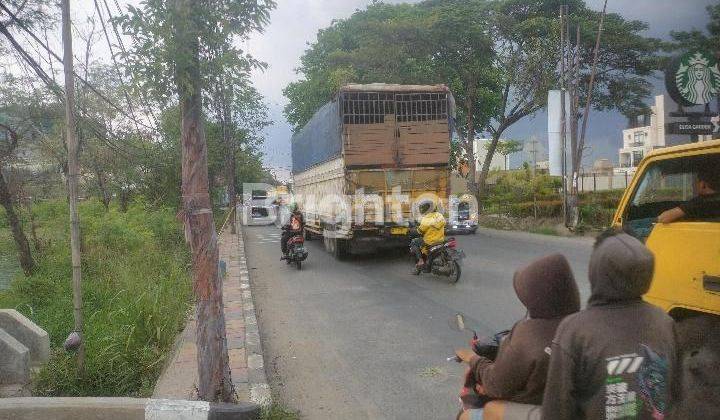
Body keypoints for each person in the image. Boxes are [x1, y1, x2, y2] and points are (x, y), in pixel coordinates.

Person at [541, 230, 678, 420]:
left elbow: (555, 411)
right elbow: (676, 393)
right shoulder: (664, 321)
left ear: (595, 271)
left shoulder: (574, 330)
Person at [454, 254, 581, 420]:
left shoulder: (530, 334)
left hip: (539, 409)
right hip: (573, 408)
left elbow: (496, 385)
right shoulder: (584, 325)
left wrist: (473, 358)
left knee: (466, 416)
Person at [410, 201, 445, 274]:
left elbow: (420, 231)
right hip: (440, 240)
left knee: (414, 242)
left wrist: (411, 231)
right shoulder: (439, 215)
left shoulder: (426, 219)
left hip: (429, 241)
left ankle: (420, 260)